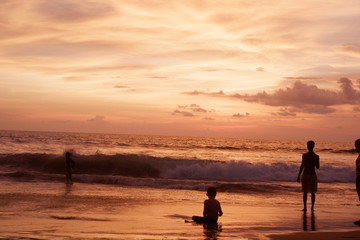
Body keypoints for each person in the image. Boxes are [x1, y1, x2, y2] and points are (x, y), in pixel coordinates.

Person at [297, 140, 320, 212]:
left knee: (313, 192)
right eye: (308, 145)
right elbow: (302, 166)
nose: (308, 147)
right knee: (305, 192)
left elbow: (318, 167)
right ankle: (305, 207)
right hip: (305, 175)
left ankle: (312, 207)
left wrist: (315, 160)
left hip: (312, 175)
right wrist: (298, 175)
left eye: (310, 145)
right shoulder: (304, 155)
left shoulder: (316, 156)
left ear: (313, 146)